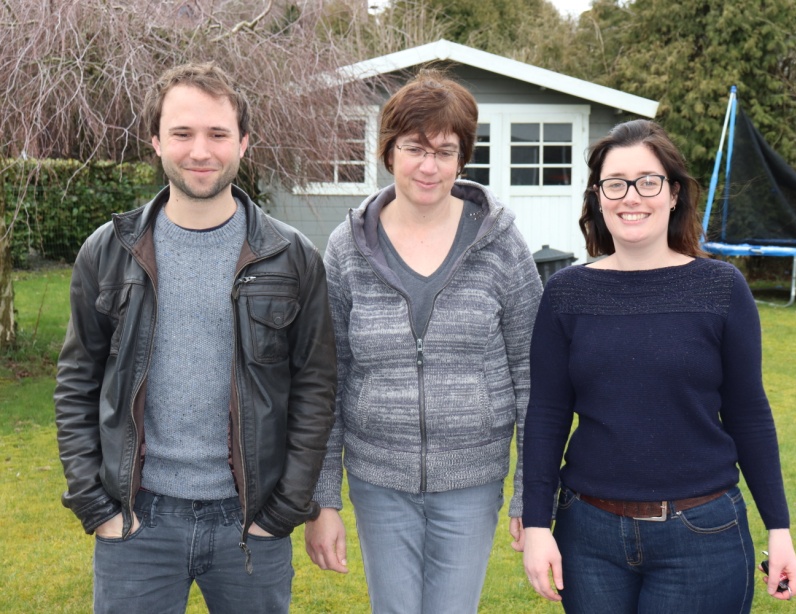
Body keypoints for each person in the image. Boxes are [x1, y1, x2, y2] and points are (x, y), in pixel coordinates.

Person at [54, 62, 337, 613]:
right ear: (156, 140)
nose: (200, 151)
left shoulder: (293, 257)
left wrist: (282, 511)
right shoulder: (107, 252)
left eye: (217, 134)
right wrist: (96, 505)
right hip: (137, 523)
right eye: (182, 133)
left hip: (249, 524)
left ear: (244, 142)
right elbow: (76, 382)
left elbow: (315, 390)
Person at [521, 119, 796, 612]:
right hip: (588, 538)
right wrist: (538, 524)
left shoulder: (721, 288)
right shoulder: (565, 293)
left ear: (673, 194)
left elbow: (749, 412)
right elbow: (546, 414)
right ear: (598, 197)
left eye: (647, 182)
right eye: (616, 184)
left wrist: (779, 529)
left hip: (702, 536)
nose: (632, 196)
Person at [304, 70, 543, 613]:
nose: (428, 166)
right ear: (389, 152)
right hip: (377, 480)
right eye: (414, 147)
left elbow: (535, 376)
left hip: (472, 481)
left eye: (445, 150)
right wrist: (324, 498)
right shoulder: (348, 247)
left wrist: (533, 492)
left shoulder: (501, 245)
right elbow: (327, 377)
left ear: (463, 159)